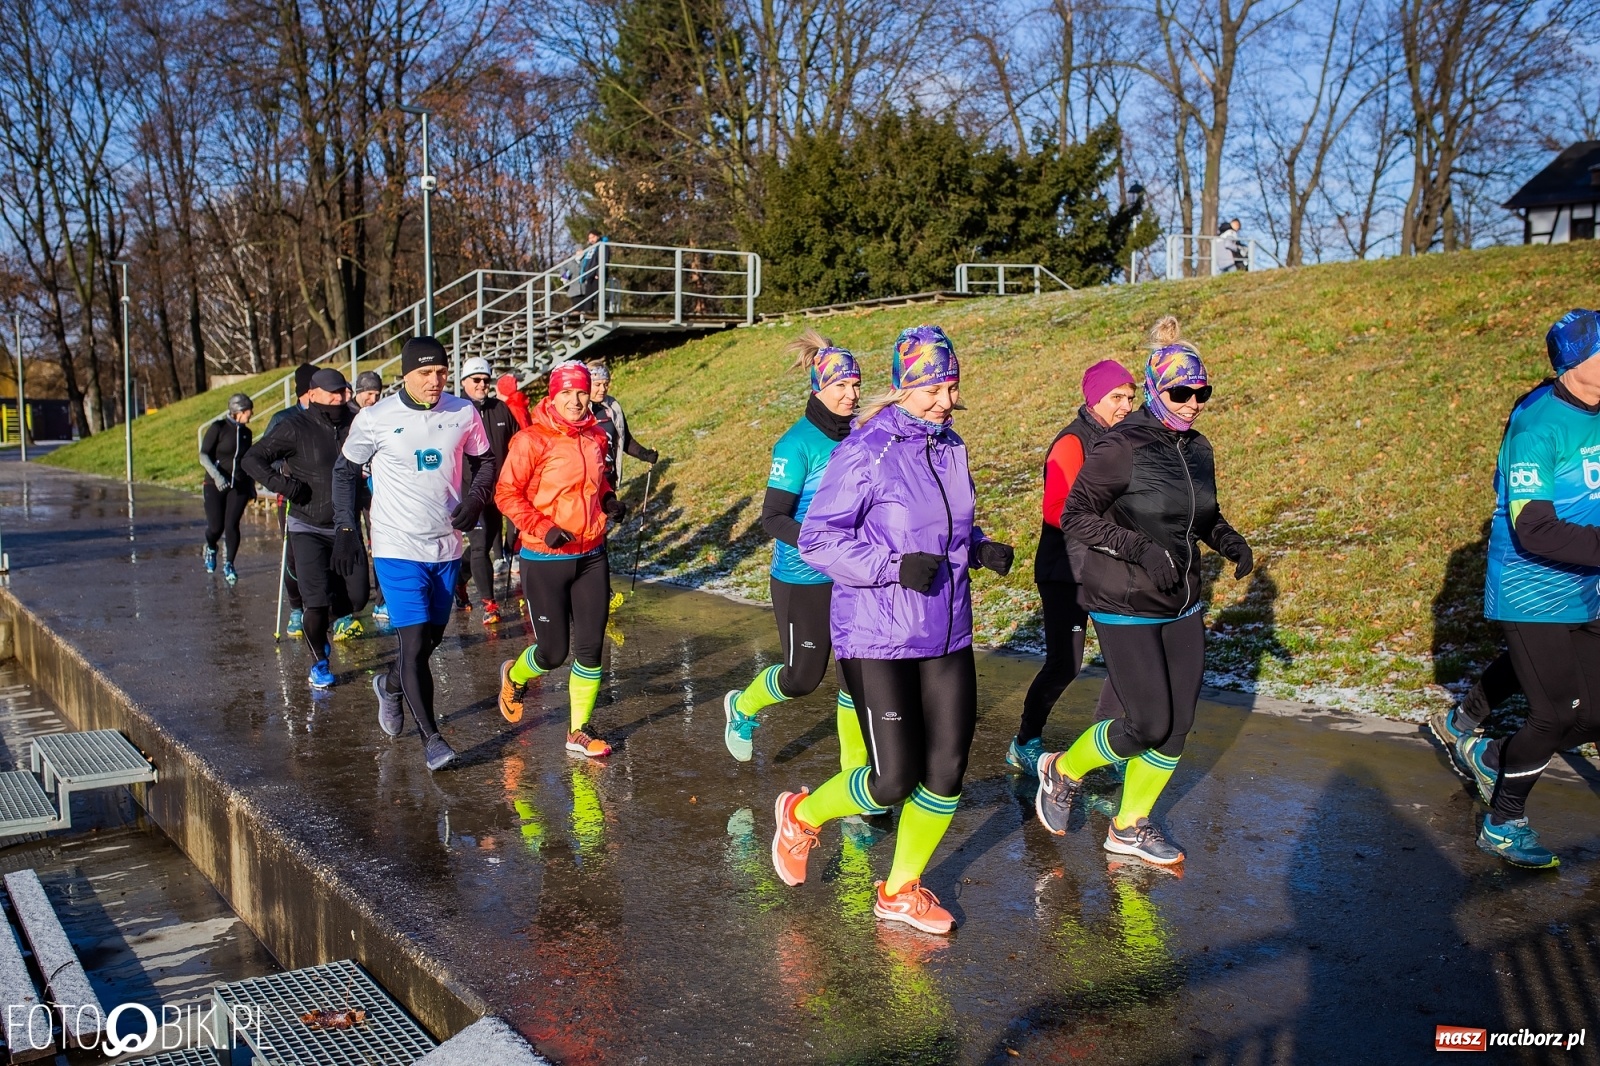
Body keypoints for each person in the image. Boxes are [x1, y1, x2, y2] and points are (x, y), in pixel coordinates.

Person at [770, 325, 1015, 935]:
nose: (946, 401)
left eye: (952, 386)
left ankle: (901, 889)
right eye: (933, 388)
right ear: (904, 384)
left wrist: (978, 548)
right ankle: (802, 814)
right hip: (877, 629)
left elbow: (945, 527)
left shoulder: (950, 445)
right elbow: (823, 539)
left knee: (948, 768)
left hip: (947, 625)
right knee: (892, 778)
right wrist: (892, 566)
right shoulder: (866, 449)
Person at [1034, 316, 1253, 867]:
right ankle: (1063, 769)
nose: (1195, 402)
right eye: (1183, 391)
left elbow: (1201, 515)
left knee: (1178, 724)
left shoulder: (1198, 449)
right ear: (1158, 390)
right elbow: (1074, 514)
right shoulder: (1121, 446)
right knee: (1147, 723)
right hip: (1125, 598)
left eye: (1203, 392)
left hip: (1181, 599)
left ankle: (1130, 825)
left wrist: (1227, 539)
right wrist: (1140, 550)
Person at [1453, 310, 1600, 869]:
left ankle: (1493, 754)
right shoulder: (1538, 423)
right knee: (1555, 715)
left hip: (1586, 584)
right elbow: (1533, 526)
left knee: (1595, 714)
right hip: (1531, 586)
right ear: (1575, 362)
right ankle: (1504, 821)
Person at [333, 336, 496, 772]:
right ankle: (432, 738)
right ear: (405, 374)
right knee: (413, 640)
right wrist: (347, 527)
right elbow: (345, 470)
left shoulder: (463, 411)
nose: (435, 380)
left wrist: (476, 499)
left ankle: (388, 684)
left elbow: (486, 463)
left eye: (441, 371)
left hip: (445, 545)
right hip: (396, 546)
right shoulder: (376, 417)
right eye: (425, 373)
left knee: (430, 642)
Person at [721, 331, 868, 766]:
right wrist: (825, 545)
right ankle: (743, 706)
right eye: (840, 385)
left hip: (855, 576)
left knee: (855, 679)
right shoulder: (795, 444)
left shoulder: (863, 434)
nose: (851, 394)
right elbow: (773, 518)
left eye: (856, 384)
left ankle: (855, 779)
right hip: (803, 578)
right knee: (803, 678)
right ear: (818, 388)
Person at [1007, 361, 1137, 775]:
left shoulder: (1125, 439)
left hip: (1110, 566)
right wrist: (1114, 528)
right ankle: (1025, 741)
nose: (1125, 406)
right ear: (1094, 398)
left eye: (1131, 398)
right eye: (1117, 397)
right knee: (1065, 664)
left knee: (1128, 659)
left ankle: (1107, 746)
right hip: (1067, 569)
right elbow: (1055, 510)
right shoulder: (1072, 442)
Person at [495, 361, 627, 757]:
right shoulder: (531, 441)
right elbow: (506, 493)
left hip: (591, 555)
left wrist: (608, 501)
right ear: (552, 395)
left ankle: (578, 731)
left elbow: (599, 481)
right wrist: (543, 527)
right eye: (566, 392)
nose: (575, 399)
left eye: (581, 392)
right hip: (545, 556)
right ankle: (514, 676)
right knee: (553, 653)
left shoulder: (595, 436)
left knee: (590, 648)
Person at [242, 369, 369, 690]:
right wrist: (283, 485)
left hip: (346, 527)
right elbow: (252, 458)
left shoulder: (357, 422)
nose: (340, 398)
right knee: (316, 602)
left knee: (356, 599)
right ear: (313, 394)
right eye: (332, 393)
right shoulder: (294, 427)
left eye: (343, 392)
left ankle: (323, 629)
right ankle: (319, 661)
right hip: (307, 525)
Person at [455, 357, 519, 625]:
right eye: (476, 380)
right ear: (463, 382)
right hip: (470, 491)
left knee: (490, 540)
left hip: (499, 490)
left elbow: (518, 443)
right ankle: (489, 604)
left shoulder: (500, 409)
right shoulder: (453, 410)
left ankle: (459, 579)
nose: (482, 385)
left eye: (485, 380)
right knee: (480, 546)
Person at [267, 363, 317, 637]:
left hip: (326, 499)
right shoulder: (283, 419)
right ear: (307, 391)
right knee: (295, 556)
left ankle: (327, 608)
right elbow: (264, 458)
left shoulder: (329, 416)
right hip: (292, 497)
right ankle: (297, 609)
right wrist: (286, 476)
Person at [199, 392, 255, 586]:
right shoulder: (219, 427)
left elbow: (247, 462)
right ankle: (211, 547)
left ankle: (229, 564)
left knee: (231, 525)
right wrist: (216, 475)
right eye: (249, 411)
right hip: (214, 485)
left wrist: (251, 486)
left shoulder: (247, 433)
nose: (251, 415)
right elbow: (203, 455)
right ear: (238, 411)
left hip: (238, 486)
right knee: (216, 527)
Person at [587, 363, 659, 490]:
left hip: (609, 477)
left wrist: (644, 454)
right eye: (597, 384)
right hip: (588, 482)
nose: (603, 389)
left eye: (606, 384)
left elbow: (624, 439)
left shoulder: (613, 406)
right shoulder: (578, 411)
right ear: (586, 384)